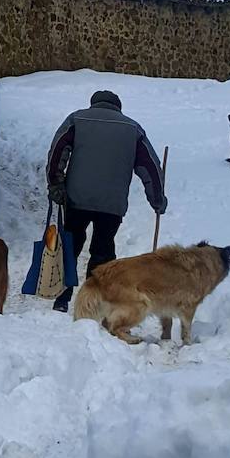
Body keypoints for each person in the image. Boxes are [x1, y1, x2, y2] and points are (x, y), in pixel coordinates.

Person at [46, 89, 167, 313]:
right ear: (118, 107)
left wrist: (55, 183)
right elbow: (150, 167)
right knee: (102, 250)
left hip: (77, 198)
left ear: (94, 104)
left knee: (71, 245)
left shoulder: (77, 119)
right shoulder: (133, 129)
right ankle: (95, 300)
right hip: (111, 204)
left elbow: (57, 152)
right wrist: (157, 199)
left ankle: (62, 298)